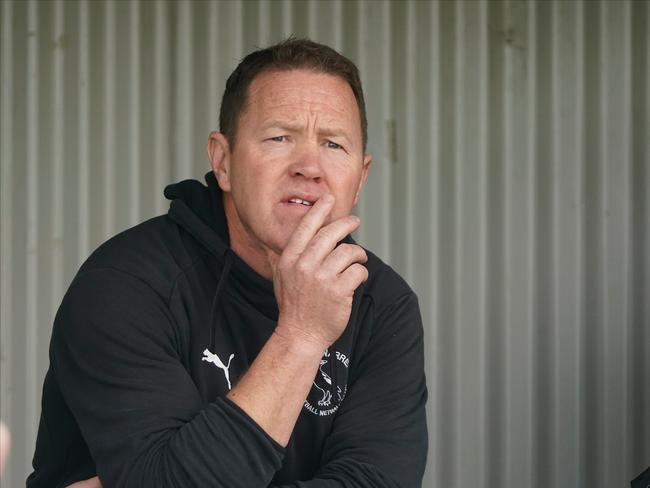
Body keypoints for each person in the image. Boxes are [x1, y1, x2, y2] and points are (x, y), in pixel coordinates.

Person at [27, 38, 427, 487]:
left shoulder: (382, 303)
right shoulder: (127, 286)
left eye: (334, 145)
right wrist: (302, 335)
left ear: (360, 177)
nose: (310, 167)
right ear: (223, 162)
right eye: (280, 137)